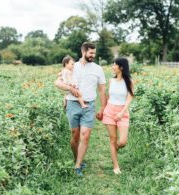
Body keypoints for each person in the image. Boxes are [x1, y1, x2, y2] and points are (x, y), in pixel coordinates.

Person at [54, 42, 107, 176]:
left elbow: (102, 91)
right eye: (91, 53)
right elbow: (57, 82)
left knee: (85, 135)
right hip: (72, 104)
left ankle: (78, 165)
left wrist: (103, 109)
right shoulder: (72, 66)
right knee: (75, 135)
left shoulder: (98, 69)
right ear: (83, 52)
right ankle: (77, 158)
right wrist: (70, 89)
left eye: (94, 53)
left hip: (89, 105)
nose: (93, 55)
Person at [102, 57, 134, 175]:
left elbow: (130, 97)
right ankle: (116, 166)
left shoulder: (129, 81)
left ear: (121, 67)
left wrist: (122, 112)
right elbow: (108, 97)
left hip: (123, 112)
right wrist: (102, 110)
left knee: (122, 142)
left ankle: (113, 149)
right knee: (113, 139)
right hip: (109, 111)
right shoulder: (111, 81)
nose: (112, 66)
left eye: (114, 64)